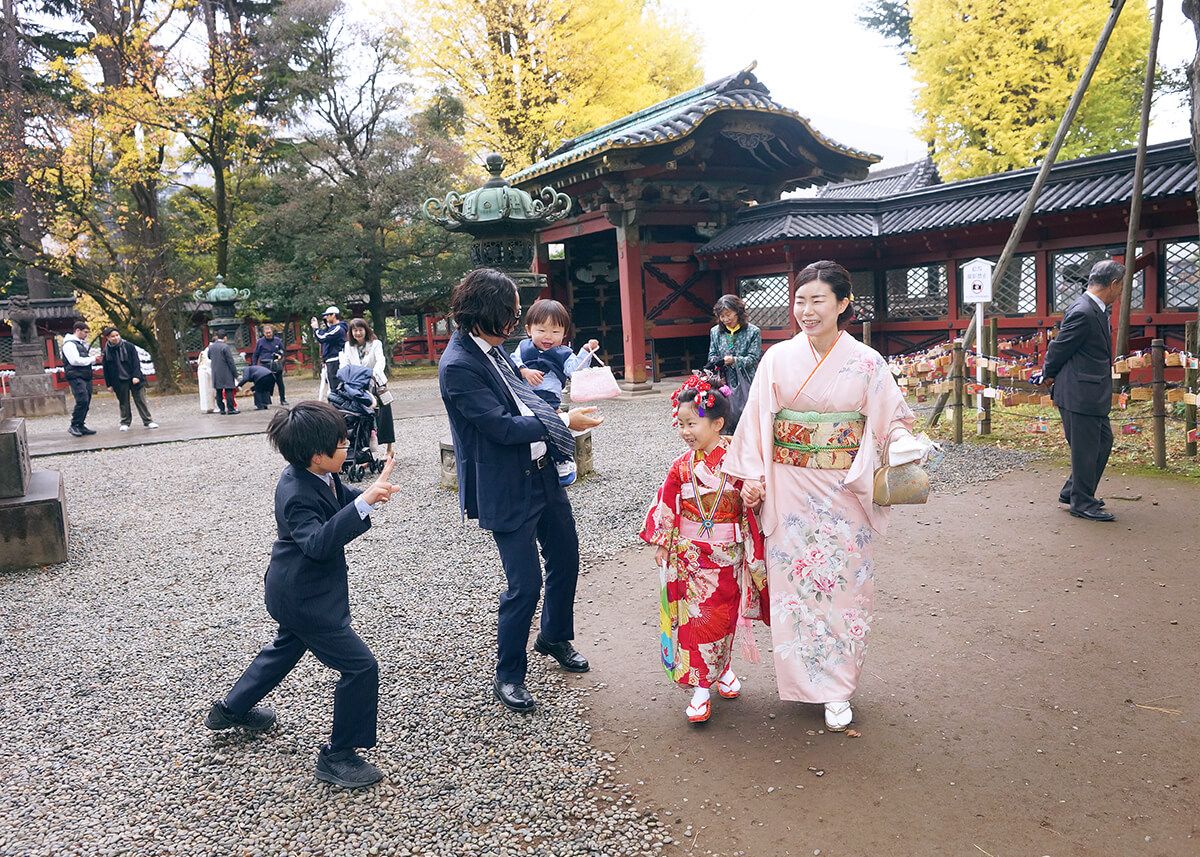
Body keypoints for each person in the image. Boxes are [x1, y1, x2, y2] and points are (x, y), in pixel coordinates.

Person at [724, 260, 916, 732]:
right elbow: (755, 420)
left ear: (843, 303)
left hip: (844, 488)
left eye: (818, 300)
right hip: (789, 488)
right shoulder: (777, 357)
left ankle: (837, 688)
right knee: (795, 586)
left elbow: (892, 419)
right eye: (800, 300)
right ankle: (804, 681)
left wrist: (901, 441)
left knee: (847, 585)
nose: (806, 310)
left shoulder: (867, 362)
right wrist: (752, 475)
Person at [205, 402, 402, 789]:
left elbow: (339, 497)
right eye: (342, 445)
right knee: (360, 666)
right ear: (316, 455)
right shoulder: (296, 491)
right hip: (305, 599)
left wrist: (370, 493)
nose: (348, 449)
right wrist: (363, 504)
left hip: (295, 590)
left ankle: (231, 710)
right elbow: (315, 543)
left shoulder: (315, 475)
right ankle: (338, 755)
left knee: (285, 649)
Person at [438, 268, 604, 713]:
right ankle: (508, 674)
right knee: (524, 584)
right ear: (489, 314)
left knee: (566, 556)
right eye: (511, 312)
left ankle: (553, 636)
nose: (516, 320)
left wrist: (559, 408)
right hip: (504, 483)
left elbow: (523, 400)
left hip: (541, 471)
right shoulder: (459, 365)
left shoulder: (495, 349)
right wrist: (564, 421)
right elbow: (500, 427)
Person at [639, 373, 768, 724]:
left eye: (692, 423)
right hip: (691, 556)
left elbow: (752, 499)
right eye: (680, 424)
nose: (685, 431)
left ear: (718, 423)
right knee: (697, 619)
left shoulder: (738, 461)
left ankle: (723, 668)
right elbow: (667, 504)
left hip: (727, 555)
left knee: (725, 617)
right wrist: (664, 543)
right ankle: (701, 688)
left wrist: (753, 496)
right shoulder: (681, 467)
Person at [1039, 260, 1123, 523]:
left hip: (1089, 391)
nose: (1121, 292)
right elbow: (1058, 348)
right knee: (1086, 449)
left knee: (1102, 443)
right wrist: (1047, 375)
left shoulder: (1093, 309)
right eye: (1121, 287)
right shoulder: (1084, 312)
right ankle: (1082, 502)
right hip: (1079, 392)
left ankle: (1072, 492)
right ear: (1114, 284)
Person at [511, 298, 599, 486]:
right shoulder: (522, 347)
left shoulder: (564, 353)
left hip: (549, 400)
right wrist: (524, 371)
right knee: (530, 431)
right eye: (541, 330)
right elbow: (512, 362)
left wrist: (586, 352)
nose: (548, 337)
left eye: (555, 331)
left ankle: (563, 459)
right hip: (525, 399)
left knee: (557, 429)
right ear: (528, 330)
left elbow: (574, 370)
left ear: (564, 334)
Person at [339, 318, 393, 459]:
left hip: (376, 383)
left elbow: (381, 361)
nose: (358, 333)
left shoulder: (375, 344)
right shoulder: (347, 346)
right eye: (355, 330)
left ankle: (389, 449)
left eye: (360, 329)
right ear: (351, 332)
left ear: (366, 330)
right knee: (362, 417)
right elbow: (345, 364)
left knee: (384, 415)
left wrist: (372, 374)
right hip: (358, 385)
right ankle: (364, 452)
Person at [100, 327, 158, 431]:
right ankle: (125, 422)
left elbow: (136, 362)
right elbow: (106, 369)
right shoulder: (106, 351)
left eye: (117, 335)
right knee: (123, 402)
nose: (115, 338)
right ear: (108, 338)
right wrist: (108, 384)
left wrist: (136, 376)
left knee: (140, 400)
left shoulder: (129, 346)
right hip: (118, 380)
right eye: (112, 336)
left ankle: (148, 420)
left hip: (133, 377)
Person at [707, 295, 762, 390]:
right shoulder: (715, 332)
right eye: (722, 316)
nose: (725, 319)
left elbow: (753, 359)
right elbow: (712, 355)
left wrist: (734, 360)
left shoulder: (753, 331)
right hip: (723, 382)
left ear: (738, 312)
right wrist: (718, 361)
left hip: (746, 380)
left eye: (728, 315)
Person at [61, 320, 99, 437]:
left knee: (86, 400)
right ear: (77, 330)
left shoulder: (79, 344)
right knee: (82, 400)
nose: (86, 335)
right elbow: (74, 360)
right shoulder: (69, 344)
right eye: (85, 332)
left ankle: (80, 424)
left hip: (84, 375)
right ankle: (74, 425)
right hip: (76, 376)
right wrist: (92, 359)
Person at [311, 307, 347, 401]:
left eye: (327, 315)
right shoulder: (332, 329)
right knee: (332, 386)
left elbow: (322, 338)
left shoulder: (338, 328)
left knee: (336, 387)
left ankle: (338, 407)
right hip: (330, 360)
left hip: (335, 360)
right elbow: (325, 335)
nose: (326, 317)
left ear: (333, 315)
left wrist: (316, 328)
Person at [252, 323, 288, 405]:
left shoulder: (277, 340)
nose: (268, 334)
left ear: (272, 332)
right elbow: (256, 354)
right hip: (265, 365)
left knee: (280, 383)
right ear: (264, 333)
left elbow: (282, 350)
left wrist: (280, 355)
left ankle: (283, 399)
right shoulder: (260, 342)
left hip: (275, 364)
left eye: (269, 332)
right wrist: (254, 366)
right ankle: (265, 401)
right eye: (266, 333)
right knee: (265, 383)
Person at [207, 331, 239, 415]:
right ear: (225, 337)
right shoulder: (225, 347)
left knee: (219, 391)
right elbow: (230, 361)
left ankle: (222, 409)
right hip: (226, 371)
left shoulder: (211, 347)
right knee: (229, 390)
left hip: (216, 371)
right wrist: (235, 373)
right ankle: (231, 409)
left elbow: (209, 356)